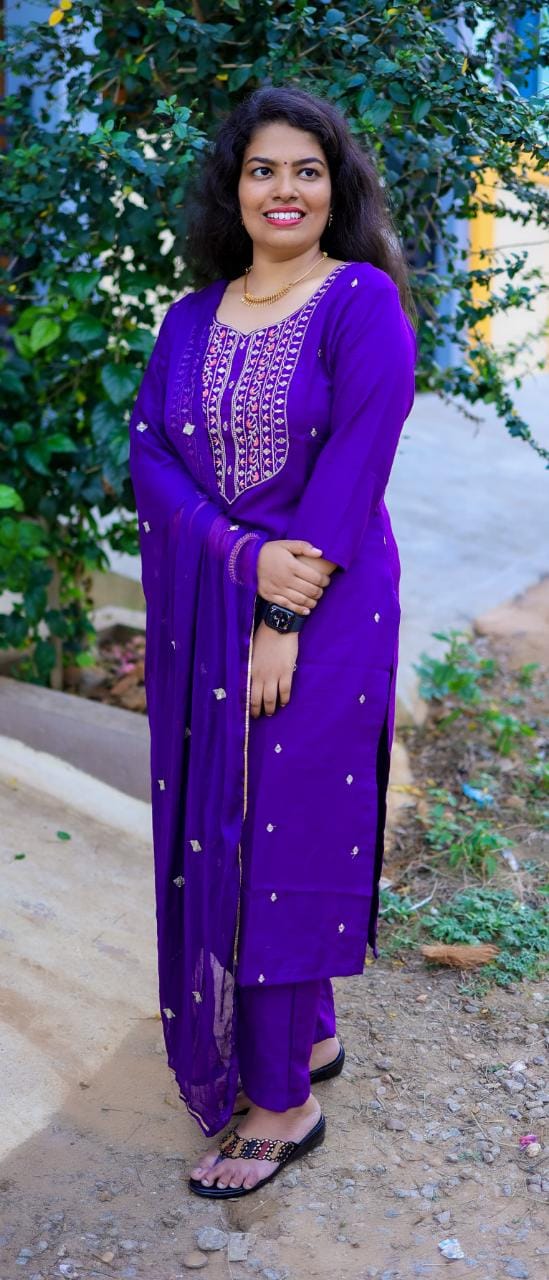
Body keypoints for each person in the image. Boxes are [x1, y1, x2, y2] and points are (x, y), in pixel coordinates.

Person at [128, 84, 417, 1200]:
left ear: (336, 190)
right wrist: (239, 558)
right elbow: (152, 454)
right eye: (263, 170)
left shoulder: (358, 301)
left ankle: (283, 1102)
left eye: (307, 170)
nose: (284, 190)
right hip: (224, 598)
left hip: (329, 601)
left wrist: (283, 615)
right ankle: (307, 1029)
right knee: (234, 818)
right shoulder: (190, 319)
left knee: (287, 824)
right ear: (234, 188)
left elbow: (355, 463)